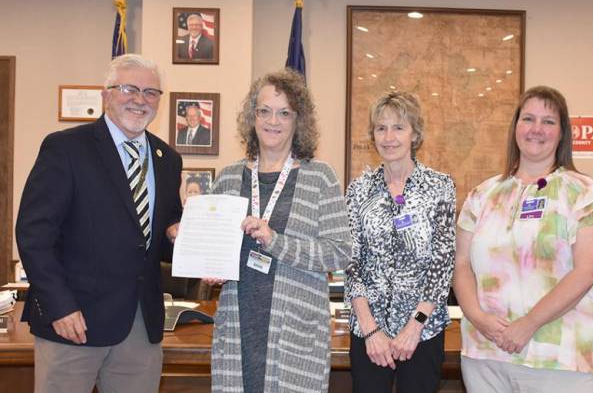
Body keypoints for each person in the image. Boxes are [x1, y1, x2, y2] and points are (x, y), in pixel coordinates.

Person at [15, 54, 182, 392]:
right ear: (106, 94)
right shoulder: (65, 148)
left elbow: (158, 238)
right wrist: (59, 306)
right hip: (73, 322)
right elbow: (34, 235)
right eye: (129, 88)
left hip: (139, 326)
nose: (140, 99)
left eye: (151, 92)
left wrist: (176, 234)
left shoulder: (167, 159)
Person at [453, 86, 593, 393]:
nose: (536, 129)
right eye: (528, 119)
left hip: (561, 358)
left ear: (562, 132)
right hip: (486, 354)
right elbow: (461, 264)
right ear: (515, 126)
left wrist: (527, 324)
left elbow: (589, 271)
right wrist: (477, 317)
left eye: (548, 121)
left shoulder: (586, 195)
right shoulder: (482, 195)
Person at [198, 69, 352, 392]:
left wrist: (275, 241)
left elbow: (340, 251)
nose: (273, 121)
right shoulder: (228, 178)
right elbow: (214, 250)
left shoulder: (320, 177)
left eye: (284, 113)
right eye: (264, 111)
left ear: (299, 120)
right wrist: (210, 267)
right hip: (238, 326)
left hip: (294, 332)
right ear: (252, 117)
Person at [345, 91, 456, 393]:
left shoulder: (440, 186)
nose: (389, 137)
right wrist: (370, 330)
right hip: (369, 334)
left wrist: (415, 325)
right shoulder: (358, 190)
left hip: (423, 333)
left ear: (414, 133)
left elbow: (442, 264)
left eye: (399, 127)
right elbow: (352, 263)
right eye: (381, 128)